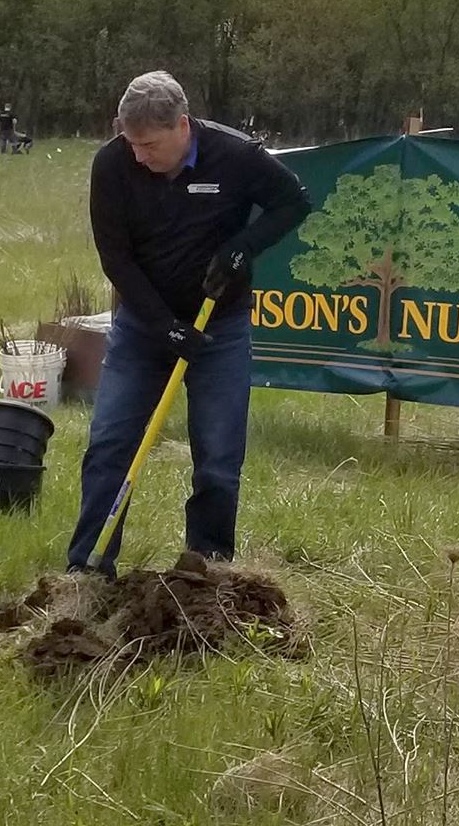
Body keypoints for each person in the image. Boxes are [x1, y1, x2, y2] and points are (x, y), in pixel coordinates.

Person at [65, 71, 310, 575]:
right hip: (142, 326)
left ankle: (207, 571)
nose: (139, 156)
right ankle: (88, 569)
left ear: (182, 126)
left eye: (149, 145)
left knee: (219, 457)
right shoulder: (112, 165)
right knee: (110, 443)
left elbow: (294, 201)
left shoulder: (236, 155)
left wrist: (243, 247)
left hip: (220, 328)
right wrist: (163, 326)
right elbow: (116, 258)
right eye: (130, 143)